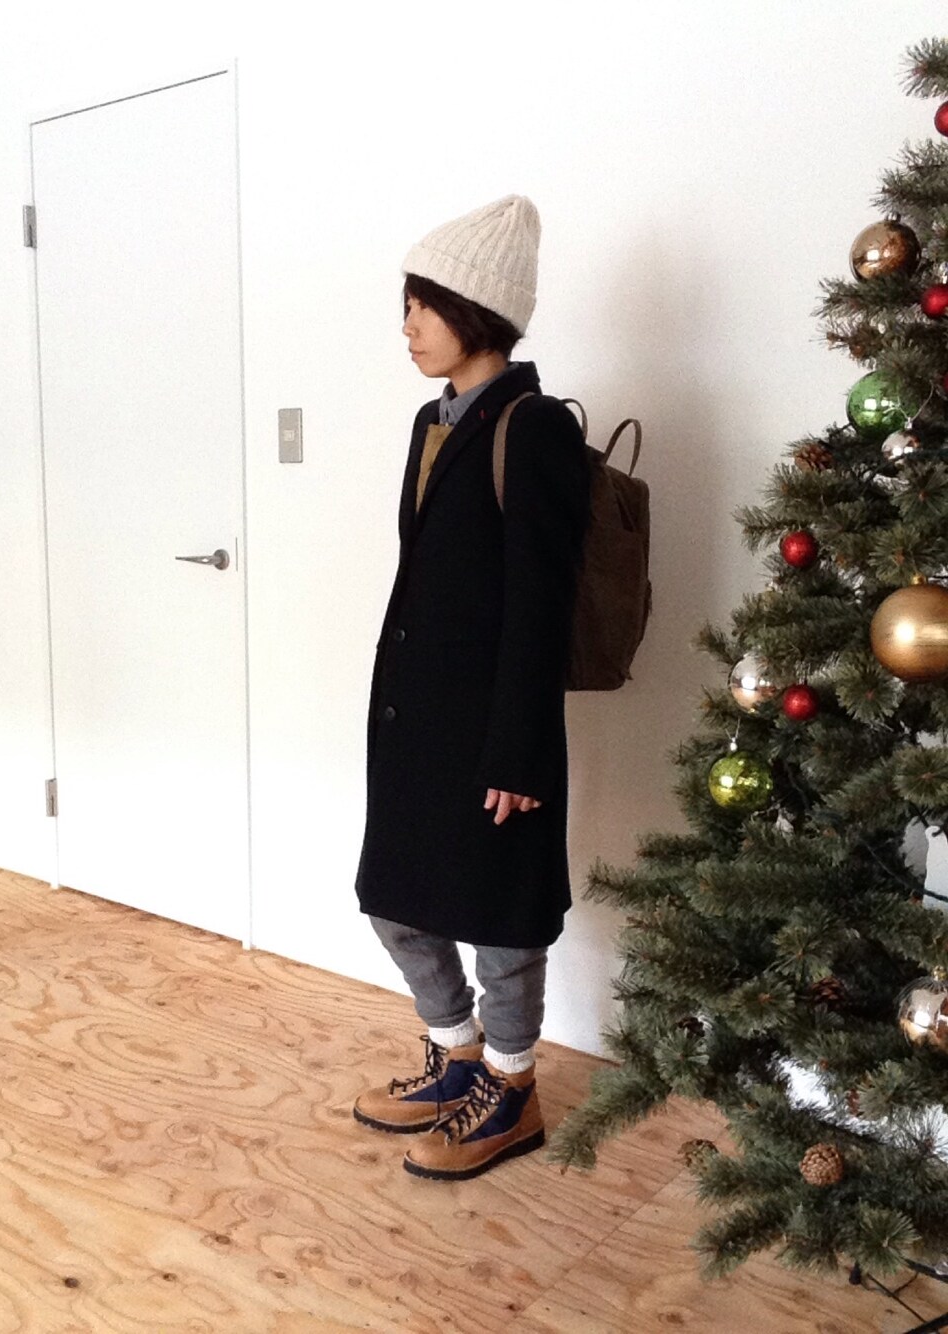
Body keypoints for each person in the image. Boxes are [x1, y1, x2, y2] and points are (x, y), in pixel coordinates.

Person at [353, 194, 590, 1180]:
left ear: (474, 310)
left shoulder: (533, 428)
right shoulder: (432, 421)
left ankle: (512, 1087)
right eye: (405, 307)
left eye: (422, 306)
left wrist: (519, 751)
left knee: (498, 914)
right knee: (394, 895)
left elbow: (543, 605)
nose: (406, 326)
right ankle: (455, 1057)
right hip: (418, 715)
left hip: (496, 722)